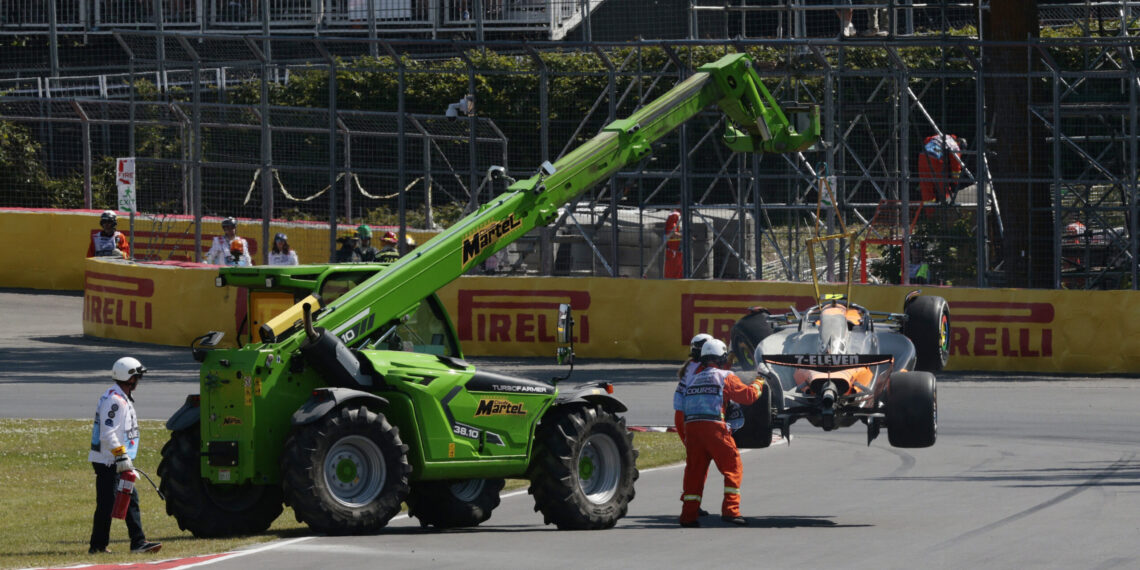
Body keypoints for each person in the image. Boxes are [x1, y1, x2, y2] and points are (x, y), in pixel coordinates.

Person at [678, 339, 764, 528]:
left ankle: (688, 516)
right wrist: (760, 381)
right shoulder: (726, 376)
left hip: (691, 428)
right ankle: (731, 511)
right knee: (733, 467)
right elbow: (748, 397)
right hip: (713, 427)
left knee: (695, 472)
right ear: (722, 358)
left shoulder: (694, 378)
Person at [88, 357, 162, 555]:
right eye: (137, 376)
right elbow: (108, 433)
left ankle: (137, 542)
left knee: (130, 499)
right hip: (110, 461)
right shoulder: (115, 400)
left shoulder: (120, 397)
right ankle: (98, 546)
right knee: (107, 503)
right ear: (129, 378)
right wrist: (121, 456)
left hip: (118, 460)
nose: (139, 380)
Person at [917, 134, 966, 204]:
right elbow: (956, 165)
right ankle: (947, 207)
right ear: (960, 145)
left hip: (922, 157)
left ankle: (929, 212)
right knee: (943, 185)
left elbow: (927, 140)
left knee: (926, 187)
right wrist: (956, 181)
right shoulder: (955, 146)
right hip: (935, 159)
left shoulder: (942, 135)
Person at [664, 209, 683, 279]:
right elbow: (672, 233)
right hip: (672, 250)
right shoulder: (675, 216)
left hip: (675, 250)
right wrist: (685, 236)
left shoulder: (676, 215)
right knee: (672, 273)